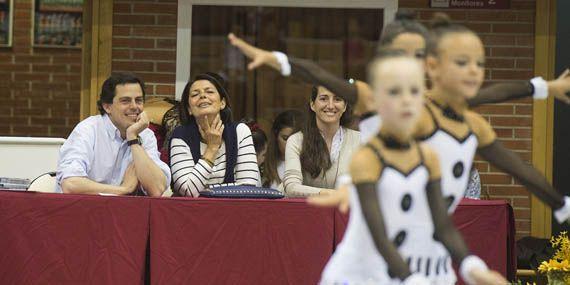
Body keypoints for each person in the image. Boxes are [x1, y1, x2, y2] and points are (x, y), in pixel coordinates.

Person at [321, 50, 506, 285]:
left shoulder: (428, 157)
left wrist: (473, 267)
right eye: (395, 93)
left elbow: (442, 225)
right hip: (361, 271)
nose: (407, 102)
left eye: (414, 92)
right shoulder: (367, 158)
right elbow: (379, 233)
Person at [56, 72, 171, 197]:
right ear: (107, 107)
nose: (134, 107)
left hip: (122, 214)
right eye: (125, 101)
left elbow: (156, 189)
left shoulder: (145, 135)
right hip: (82, 211)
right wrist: (123, 190)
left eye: (138, 100)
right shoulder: (88, 130)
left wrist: (133, 139)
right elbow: (70, 184)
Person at [169, 72, 259, 197]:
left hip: (233, 211)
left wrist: (206, 190)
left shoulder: (240, 132)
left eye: (209, 92)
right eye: (195, 94)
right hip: (191, 213)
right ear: (189, 109)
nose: (203, 96)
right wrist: (212, 148)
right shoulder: (180, 136)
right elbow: (188, 191)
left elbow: (249, 187)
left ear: (222, 103)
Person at [283, 86, 360, 197]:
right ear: (312, 104)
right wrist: (331, 194)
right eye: (323, 99)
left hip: (344, 211)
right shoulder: (296, 140)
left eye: (337, 99)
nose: (330, 105)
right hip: (304, 210)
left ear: (345, 106)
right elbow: (291, 187)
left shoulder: (360, 140)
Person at [263, 110, 304, 189]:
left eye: (296, 139)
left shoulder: (311, 167)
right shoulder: (263, 164)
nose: (290, 144)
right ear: (275, 137)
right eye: (285, 138)